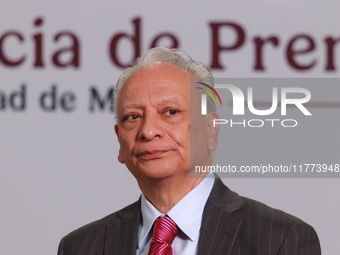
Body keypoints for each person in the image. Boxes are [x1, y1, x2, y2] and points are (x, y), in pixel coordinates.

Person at [57, 47, 321, 255]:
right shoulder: (80, 247)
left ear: (210, 131)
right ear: (120, 144)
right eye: (133, 117)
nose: (148, 131)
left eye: (170, 112)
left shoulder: (280, 239)